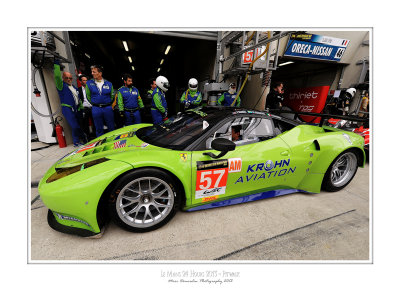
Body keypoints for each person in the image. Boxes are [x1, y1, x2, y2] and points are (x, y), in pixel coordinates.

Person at [53, 59, 85, 146]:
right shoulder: (61, 86)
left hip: (76, 109)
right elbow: (57, 77)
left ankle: (82, 139)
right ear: (63, 78)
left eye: (70, 78)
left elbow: (78, 98)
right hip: (67, 109)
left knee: (79, 126)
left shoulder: (73, 87)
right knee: (74, 126)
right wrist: (56, 65)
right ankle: (76, 142)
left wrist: (81, 108)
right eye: (66, 78)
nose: (69, 79)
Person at [85, 65, 115, 136]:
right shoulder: (89, 83)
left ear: (100, 73)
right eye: (91, 72)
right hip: (96, 108)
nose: (92, 73)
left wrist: (107, 103)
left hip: (107, 108)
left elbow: (112, 96)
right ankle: (100, 143)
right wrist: (95, 103)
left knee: (111, 126)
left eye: (94, 72)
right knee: (98, 127)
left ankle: (113, 142)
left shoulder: (109, 83)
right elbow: (88, 96)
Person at [78, 74, 94, 140]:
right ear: (80, 82)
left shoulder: (91, 89)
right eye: (84, 80)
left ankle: (95, 135)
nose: (85, 82)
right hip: (85, 109)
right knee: (85, 124)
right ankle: (88, 137)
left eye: (86, 80)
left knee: (95, 122)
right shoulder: (78, 90)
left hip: (92, 107)